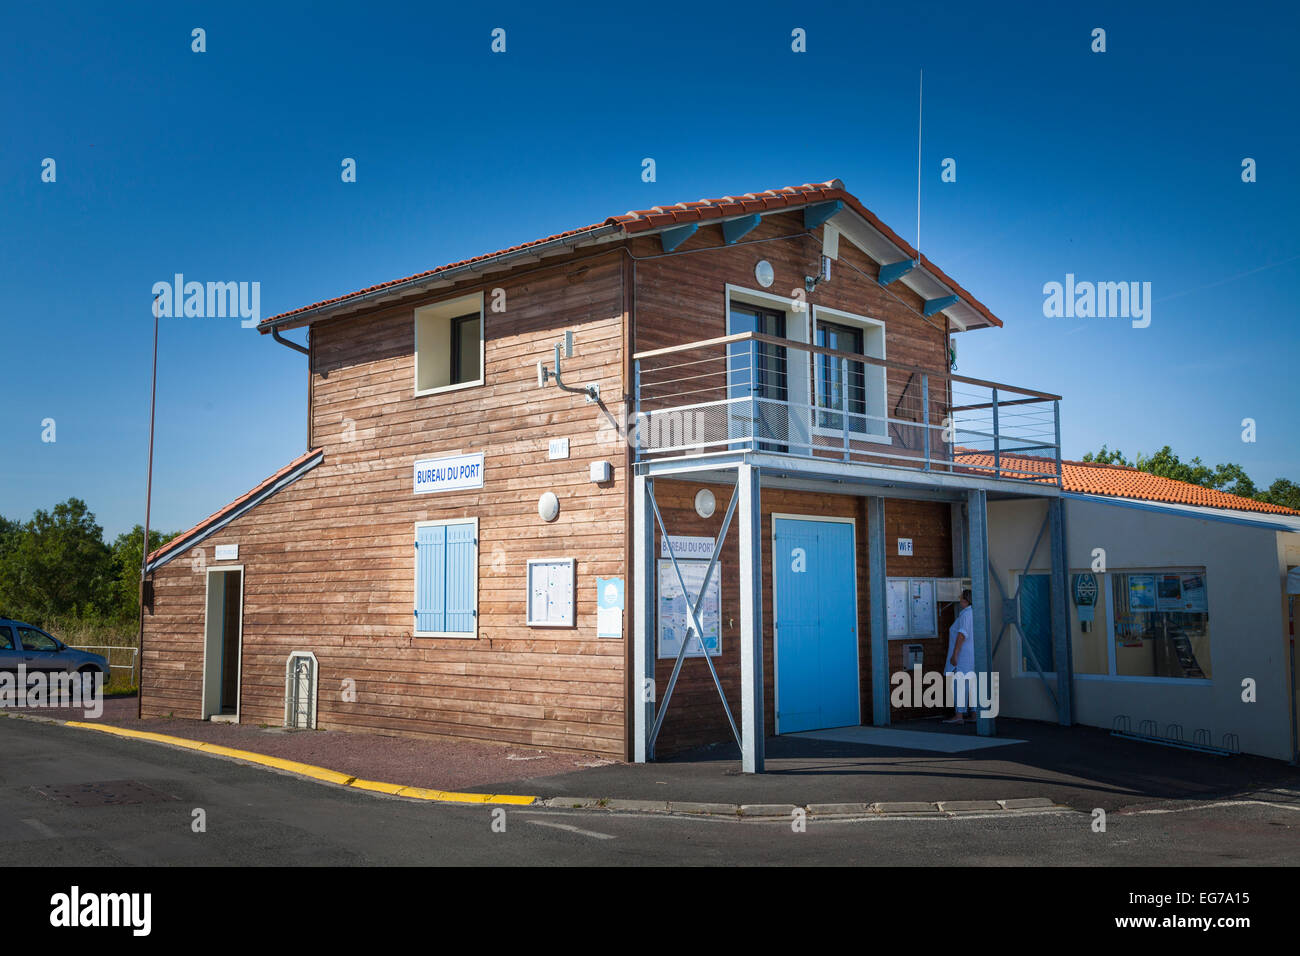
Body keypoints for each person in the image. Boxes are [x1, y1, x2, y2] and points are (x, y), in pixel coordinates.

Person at [943, 589, 976, 724]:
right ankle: (974, 714)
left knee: (960, 684)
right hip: (972, 655)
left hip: (963, 655)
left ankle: (959, 715)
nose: (959, 599)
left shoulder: (966, 615)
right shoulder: (974, 613)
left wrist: (955, 654)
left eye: (961, 597)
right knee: (971, 684)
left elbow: (962, 635)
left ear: (966, 600)